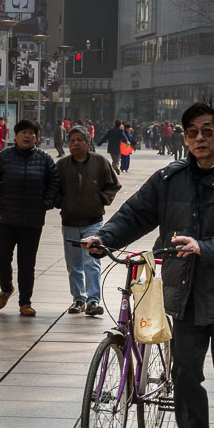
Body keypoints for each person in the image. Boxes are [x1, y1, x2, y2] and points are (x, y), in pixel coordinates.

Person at [82, 100, 214, 428]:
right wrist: (105, 237)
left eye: (206, 131)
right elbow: (136, 213)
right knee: (186, 375)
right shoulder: (169, 179)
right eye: (192, 132)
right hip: (184, 296)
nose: (199, 138)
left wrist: (206, 247)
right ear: (184, 137)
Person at [0, 119, 59, 316]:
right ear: (15, 136)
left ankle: (25, 302)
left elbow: (54, 183)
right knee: (1, 258)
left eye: (31, 133)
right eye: (23, 132)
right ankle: (7, 288)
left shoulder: (44, 159)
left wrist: (46, 202)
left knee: (27, 263)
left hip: (32, 221)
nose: (27, 136)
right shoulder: (4, 157)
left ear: (36, 137)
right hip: (7, 218)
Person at [56, 126, 120, 316]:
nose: (75, 143)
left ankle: (93, 300)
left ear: (88, 142)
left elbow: (113, 185)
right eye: (72, 140)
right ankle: (78, 299)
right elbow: (53, 188)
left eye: (80, 140)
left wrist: (101, 200)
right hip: (69, 221)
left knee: (91, 261)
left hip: (93, 220)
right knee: (73, 263)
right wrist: (61, 202)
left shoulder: (100, 162)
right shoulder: (62, 165)